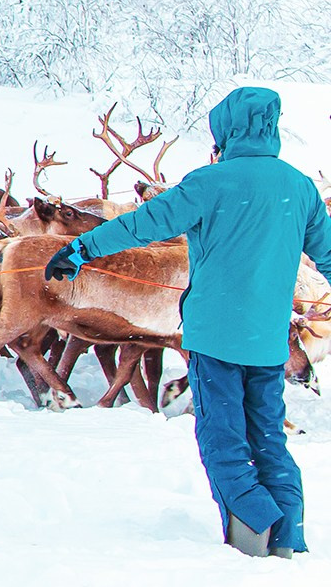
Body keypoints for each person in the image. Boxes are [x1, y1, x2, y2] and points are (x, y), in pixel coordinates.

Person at [49, 87, 331, 557]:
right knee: (268, 439)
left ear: (226, 133)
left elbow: (142, 224)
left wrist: (79, 250)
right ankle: (289, 537)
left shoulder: (208, 183)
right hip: (267, 343)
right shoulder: (298, 186)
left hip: (216, 338)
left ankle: (254, 532)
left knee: (223, 440)